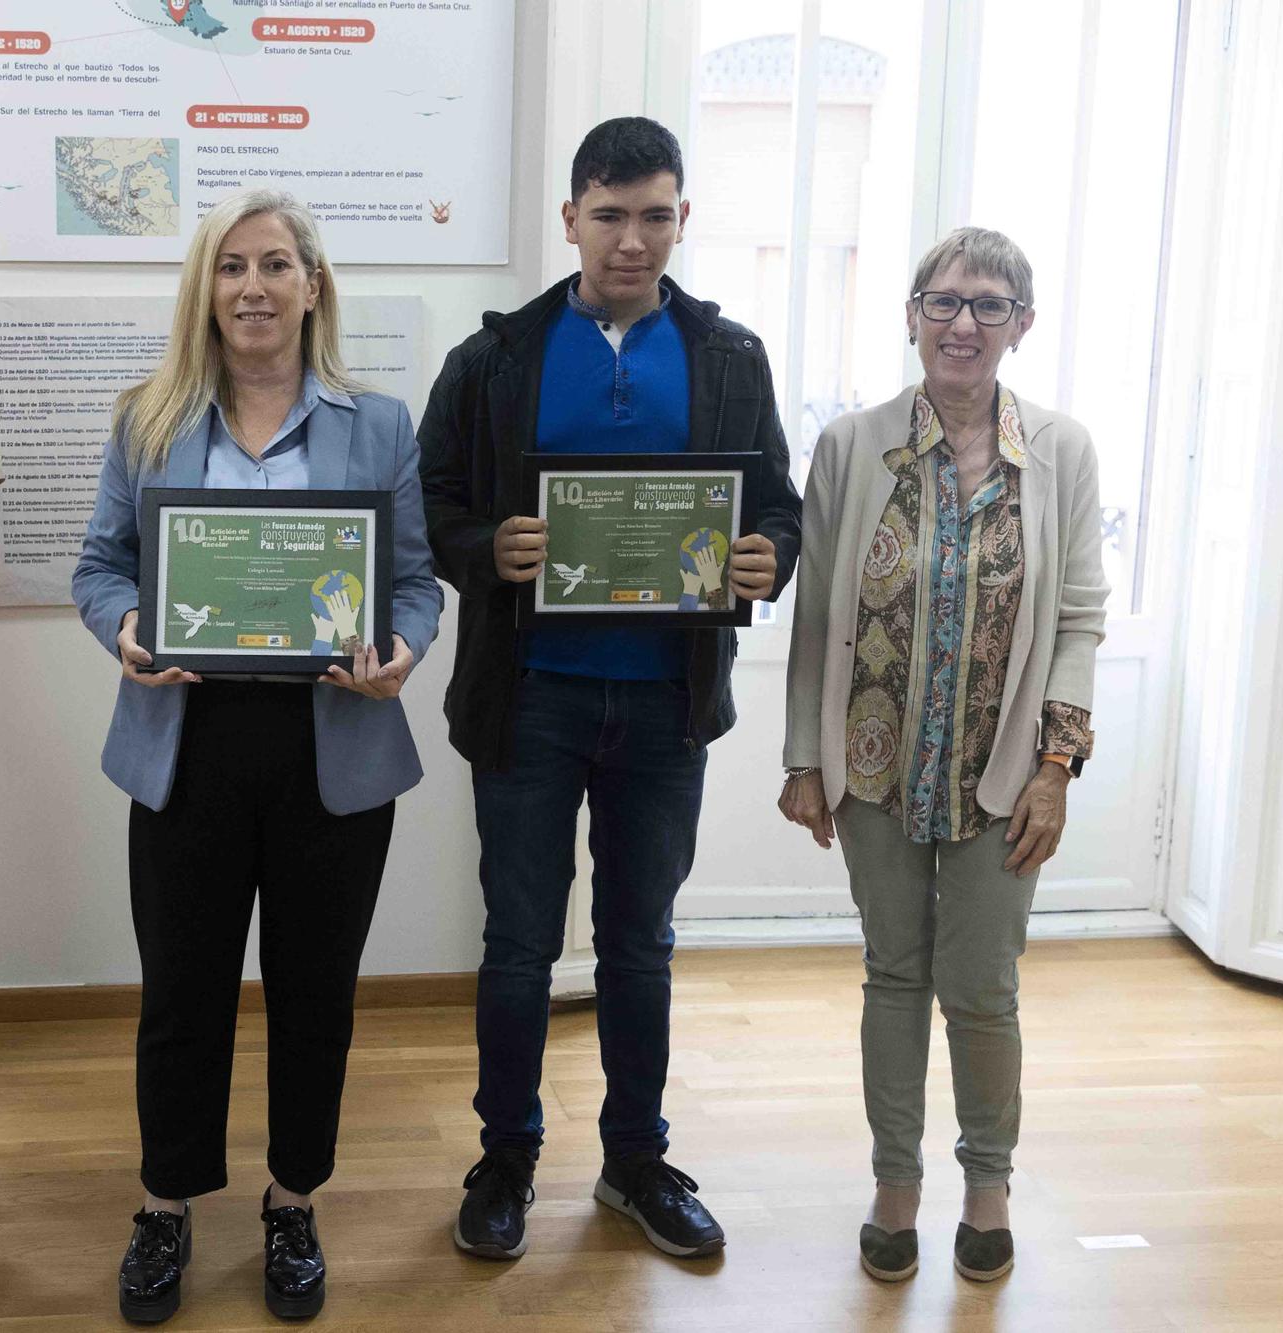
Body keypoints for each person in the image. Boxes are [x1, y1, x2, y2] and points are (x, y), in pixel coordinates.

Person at [419, 117, 802, 1263]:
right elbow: (431, 507)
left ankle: (635, 1157)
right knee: (519, 945)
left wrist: (766, 558)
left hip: (661, 706)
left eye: (654, 216)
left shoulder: (728, 357)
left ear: (680, 219)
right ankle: (505, 1156)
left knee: (639, 943)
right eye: (608, 215)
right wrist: (493, 548)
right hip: (528, 697)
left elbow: (776, 505)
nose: (630, 240)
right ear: (570, 217)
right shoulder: (493, 357)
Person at [71, 189, 441, 1323]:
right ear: (205, 289)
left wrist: (400, 652)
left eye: (275, 264)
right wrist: (126, 630)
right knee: (181, 993)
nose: (252, 288)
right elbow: (100, 568)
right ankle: (166, 1204)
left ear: (311, 285)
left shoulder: (377, 424)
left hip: (332, 740)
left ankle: (292, 1200)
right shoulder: (147, 418)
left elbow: (416, 581)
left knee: (313, 991)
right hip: (186, 739)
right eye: (230, 267)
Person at [778, 226, 1108, 1284]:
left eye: (987, 304)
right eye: (943, 301)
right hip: (870, 764)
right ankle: (892, 1184)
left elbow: (1079, 621)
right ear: (911, 313)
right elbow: (816, 608)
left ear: (1020, 324)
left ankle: (986, 1183)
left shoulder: (1059, 450)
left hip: (1002, 772)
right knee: (891, 974)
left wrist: (1056, 769)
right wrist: (802, 756)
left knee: (979, 985)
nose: (961, 323)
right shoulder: (849, 444)